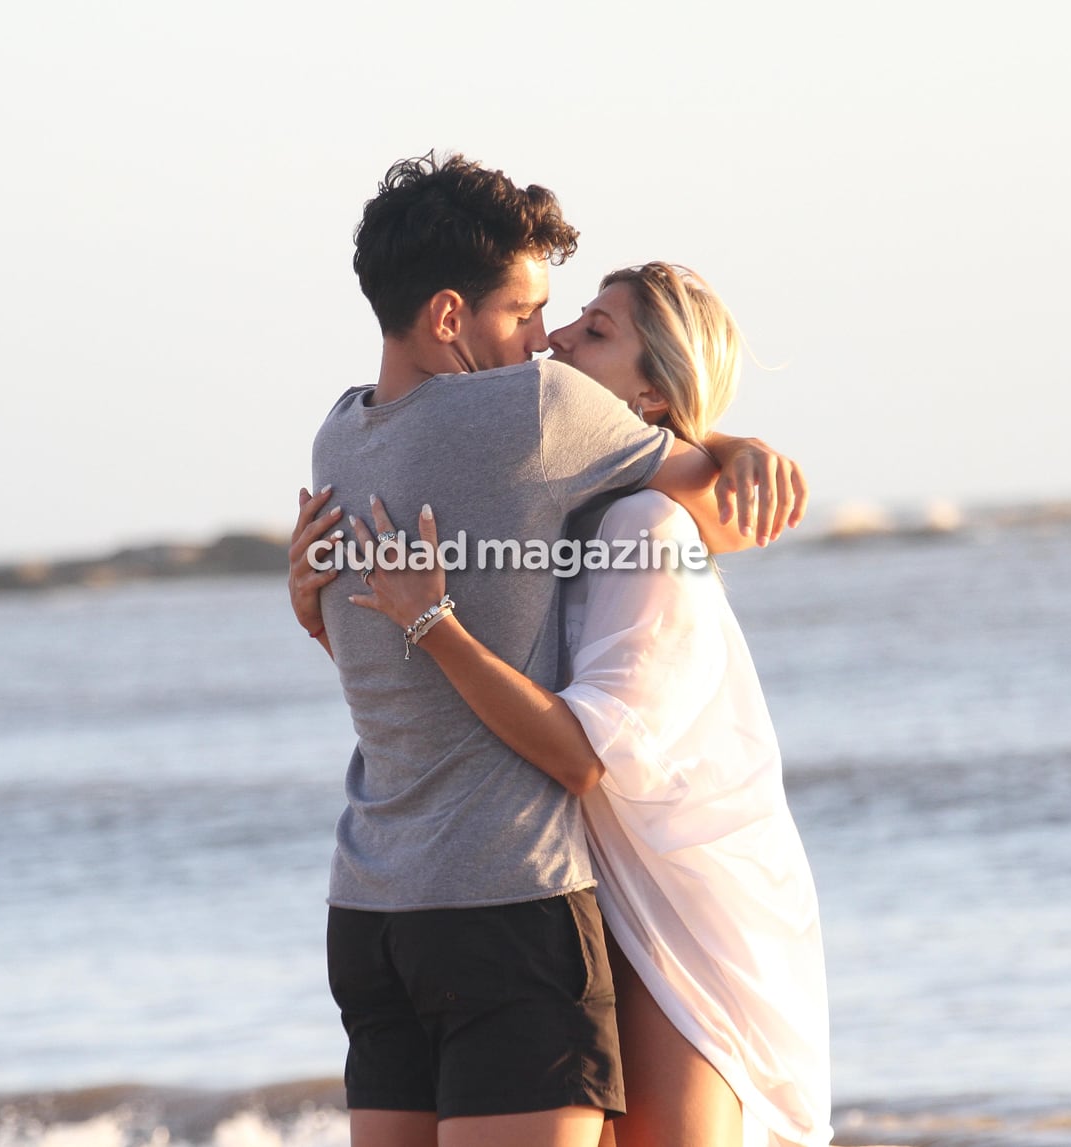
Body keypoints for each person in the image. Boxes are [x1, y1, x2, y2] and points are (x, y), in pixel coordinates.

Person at [292, 153, 808, 1147]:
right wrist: (743, 445)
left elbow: (388, 674)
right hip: (507, 900)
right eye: (527, 312)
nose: (542, 340)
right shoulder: (539, 412)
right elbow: (718, 505)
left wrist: (321, 616)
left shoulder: (336, 436)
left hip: (369, 910)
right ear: (449, 316)